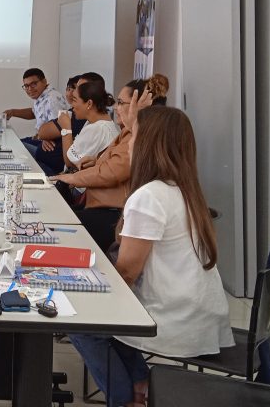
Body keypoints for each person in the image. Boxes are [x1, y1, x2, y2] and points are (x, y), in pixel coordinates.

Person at [69, 96, 233, 407]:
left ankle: (124, 400)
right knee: (103, 313)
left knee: (81, 322)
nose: (128, 143)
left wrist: (84, 288)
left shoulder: (150, 196)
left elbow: (127, 274)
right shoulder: (182, 188)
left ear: (150, 145)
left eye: (134, 136)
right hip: (199, 315)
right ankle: (140, 381)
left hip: (175, 321)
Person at [53, 75, 168, 251]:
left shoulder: (140, 138)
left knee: (57, 230)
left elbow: (111, 173)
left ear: (140, 106)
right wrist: (97, 160)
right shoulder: (126, 133)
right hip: (102, 207)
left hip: (113, 215)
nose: (115, 107)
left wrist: (72, 178)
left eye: (121, 102)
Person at [3, 68, 70, 175]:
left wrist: (45, 137)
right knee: (14, 143)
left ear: (44, 81)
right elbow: (34, 112)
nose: (30, 89)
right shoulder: (42, 96)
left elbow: (60, 126)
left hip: (53, 148)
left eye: (34, 84)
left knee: (15, 146)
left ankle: (50, 177)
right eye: (26, 86)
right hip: (42, 139)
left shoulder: (52, 98)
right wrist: (13, 112)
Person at [59, 80, 120, 171]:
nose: (72, 105)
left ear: (89, 104)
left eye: (75, 100)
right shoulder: (96, 123)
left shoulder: (98, 129)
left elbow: (70, 163)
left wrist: (66, 129)